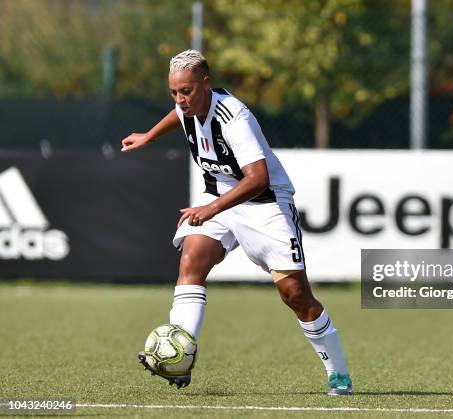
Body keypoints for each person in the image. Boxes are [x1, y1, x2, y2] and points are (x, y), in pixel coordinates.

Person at [121, 49, 352, 395]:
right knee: (192, 259)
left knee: (295, 294)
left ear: (206, 84)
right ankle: (180, 359)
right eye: (173, 92)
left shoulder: (234, 117)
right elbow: (179, 116)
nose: (180, 100)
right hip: (219, 197)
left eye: (186, 91)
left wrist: (212, 210)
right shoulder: (187, 106)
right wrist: (149, 136)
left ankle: (338, 373)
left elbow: (258, 178)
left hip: (265, 204)